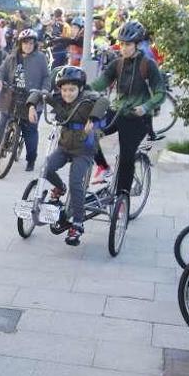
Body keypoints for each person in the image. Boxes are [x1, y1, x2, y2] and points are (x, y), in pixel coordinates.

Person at [27, 66, 109, 245]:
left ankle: (77, 223)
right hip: (64, 147)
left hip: (84, 150)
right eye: (64, 90)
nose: (68, 93)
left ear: (80, 88)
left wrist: (93, 118)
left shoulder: (88, 99)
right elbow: (41, 93)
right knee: (45, 168)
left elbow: (103, 101)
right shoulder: (59, 99)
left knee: (76, 182)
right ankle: (60, 188)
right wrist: (32, 106)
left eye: (72, 89)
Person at [89, 20, 165, 192]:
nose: (123, 48)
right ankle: (102, 166)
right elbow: (100, 83)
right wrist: (80, 88)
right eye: (121, 44)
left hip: (138, 119)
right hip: (117, 112)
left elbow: (160, 93)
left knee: (125, 158)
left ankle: (122, 199)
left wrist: (145, 107)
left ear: (137, 45)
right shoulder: (117, 63)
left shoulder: (148, 65)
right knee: (88, 135)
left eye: (128, 44)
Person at [0, 29, 50, 171]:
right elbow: (1, 70)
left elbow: (47, 77)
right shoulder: (12, 56)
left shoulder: (40, 58)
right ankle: (1, 149)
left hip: (32, 98)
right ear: (20, 44)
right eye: (25, 43)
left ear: (35, 44)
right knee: (2, 123)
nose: (28, 46)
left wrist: (44, 91)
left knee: (30, 130)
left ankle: (31, 159)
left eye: (31, 43)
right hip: (11, 95)